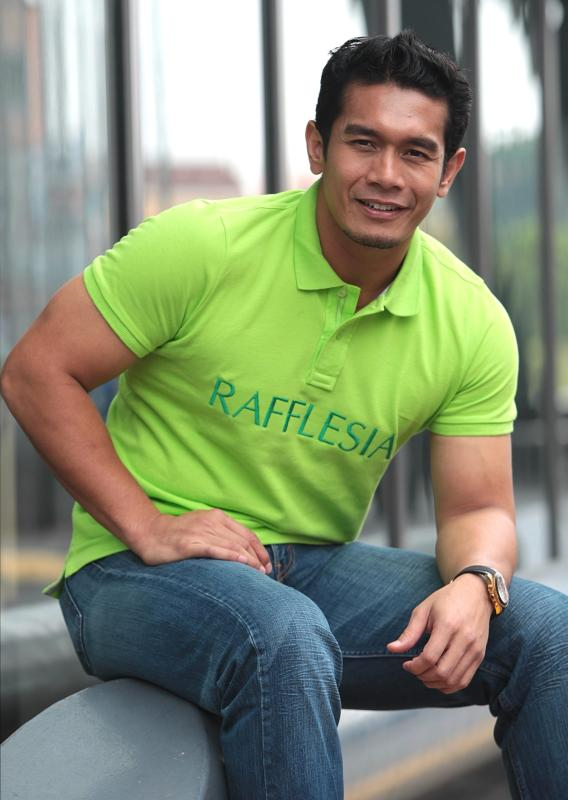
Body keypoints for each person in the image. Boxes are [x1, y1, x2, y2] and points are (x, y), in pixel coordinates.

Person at [1, 29, 566, 800]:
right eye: (363, 142)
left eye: (415, 152)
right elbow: (36, 371)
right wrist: (148, 525)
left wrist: (480, 581)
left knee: (548, 634)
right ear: (317, 146)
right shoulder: (205, 246)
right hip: (130, 570)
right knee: (283, 636)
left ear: (448, 172)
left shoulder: (471, 322)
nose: (386, 174)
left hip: (309, 570)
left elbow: (479, 509)